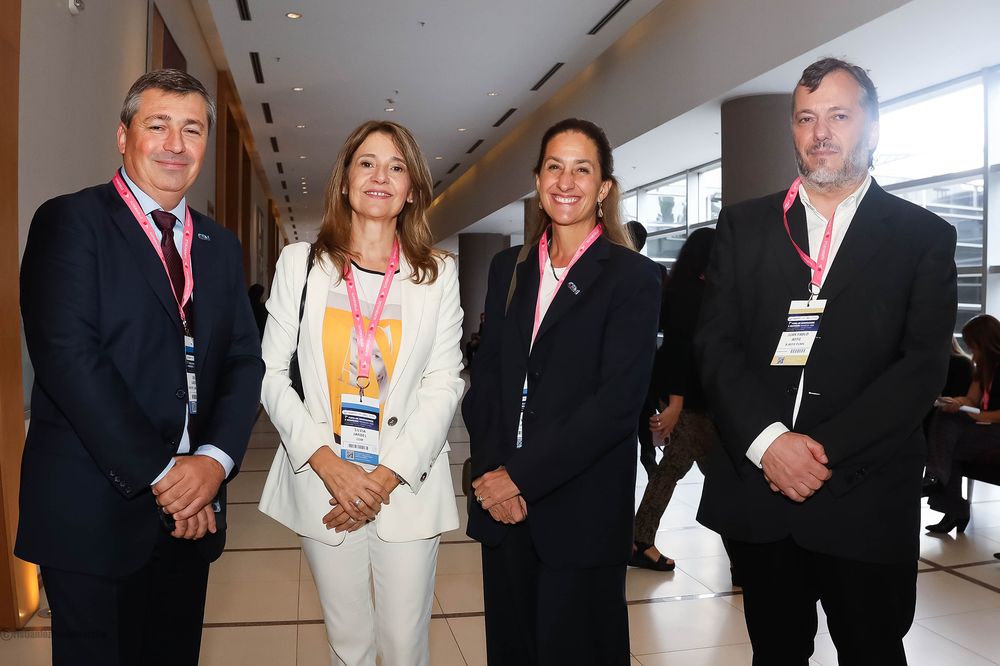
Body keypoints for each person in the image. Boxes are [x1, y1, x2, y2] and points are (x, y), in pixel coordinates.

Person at [695, 57, 957, 665]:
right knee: (776, 652)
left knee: (872, 651)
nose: (822, 133)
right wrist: (768, 444)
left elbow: (920, 369)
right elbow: (714, 345)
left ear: (872, 127)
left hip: (864, 494)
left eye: (839, 115)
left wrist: (817, 453)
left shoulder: (922, 237)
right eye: (806, 118)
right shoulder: (745, 225)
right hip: (761, 493)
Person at [16, 69, 264, 665]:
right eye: (158, 126)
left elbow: (241, 361)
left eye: (192, 129)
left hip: (193, 512)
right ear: (123, 136)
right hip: (96, 507)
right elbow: (69, 359)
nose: (176, 144)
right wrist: (165, 478)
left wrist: (213, 463)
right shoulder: (72, 222)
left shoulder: (219, 246)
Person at [258, 120, 463, 666]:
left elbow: (445, 382)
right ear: (345, 180)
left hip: (405, 486)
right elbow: (272, 375)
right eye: (367, 163)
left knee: (402, 646)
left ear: (412, 188)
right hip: (324, 483)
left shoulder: (437, 274)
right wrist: (329, 465)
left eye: (397, 167)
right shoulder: (301, 265)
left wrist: (383, 477)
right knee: (347, 644)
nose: (381, 176)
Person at [463, 118, 661, 665]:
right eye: (554, 166)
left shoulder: (632, 278)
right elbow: (487, 387)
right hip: (502, 505)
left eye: (582, 169)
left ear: (603, 189)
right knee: (513, 649)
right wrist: (489, 476)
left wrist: (518, 477)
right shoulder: (510, 269)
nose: (565, 181)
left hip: (580, 506)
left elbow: (616, 405)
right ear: (538, 179)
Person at [631, 227, 716, 572]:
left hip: (691, 396)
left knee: (679, 469)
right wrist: (676, 403)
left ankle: (640, 539)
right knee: (686, 471)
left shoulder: (684, 288)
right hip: (691, 398)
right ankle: (640, 540)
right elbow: (680, 350)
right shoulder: (691, 294)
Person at [923, 314, 1000, 533]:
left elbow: (986, 412)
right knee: (946, 424)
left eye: (973, 344)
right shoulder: (983, 367)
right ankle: (950, 501)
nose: (971, 349)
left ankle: (939, 484)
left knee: (946, 445)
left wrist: (985, 416)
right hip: (982, 429)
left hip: (994, 428)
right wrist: (957, 402)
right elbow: (972, 400)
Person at [625, 220, 671, 478]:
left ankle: (643, 453)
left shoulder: (612, 268)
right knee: (646, 405)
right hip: (648, 351)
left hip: (621, 353)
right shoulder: (656, 270)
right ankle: (649, 451)